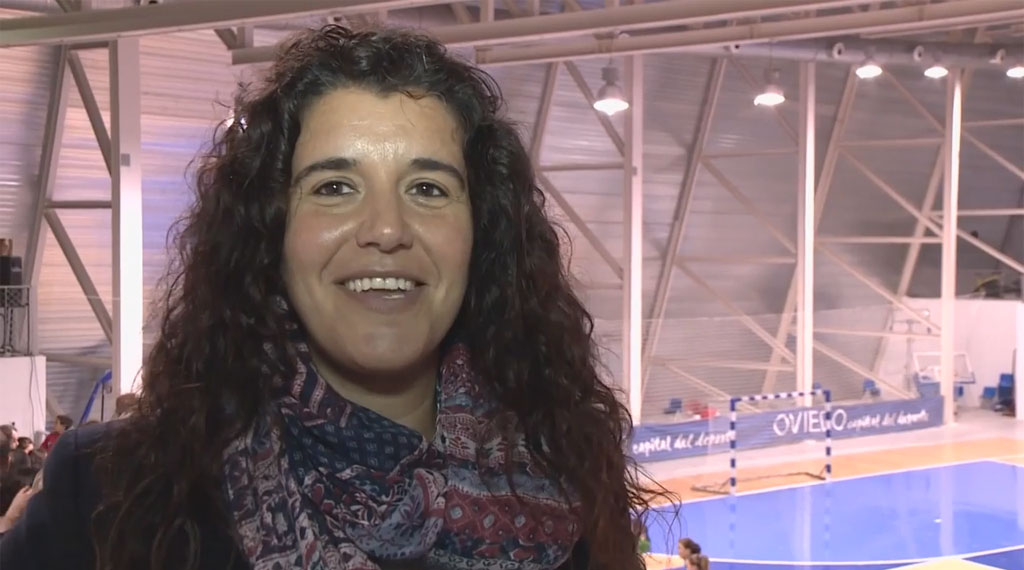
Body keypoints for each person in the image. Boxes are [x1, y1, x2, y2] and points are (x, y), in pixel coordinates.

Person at [0, 24, 656, 570]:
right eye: (334, 187)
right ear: (272, 231)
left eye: (427, 189)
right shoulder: (110, 496)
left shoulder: (568, 492)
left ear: (479, 232)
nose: (387, 230)